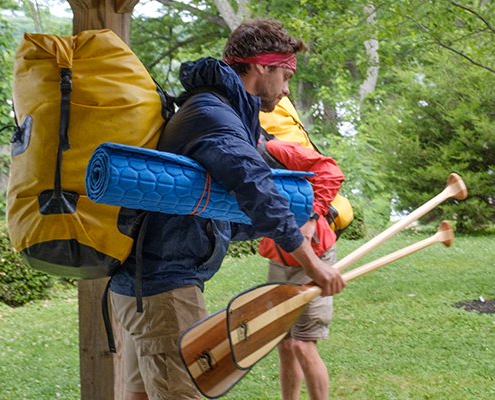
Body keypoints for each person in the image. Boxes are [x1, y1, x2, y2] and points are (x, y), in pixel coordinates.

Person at [108, 19, 346, 400]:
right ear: (261, 67)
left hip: (142, 283)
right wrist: (312, 263)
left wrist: (287, 220)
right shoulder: (215, 117)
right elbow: (256, 188)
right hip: (163, 285)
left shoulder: (213, 109)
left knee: (140, 394)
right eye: (285, 77)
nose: (285, 92)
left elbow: (216, 211)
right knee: (181, 392)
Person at [256, 123, 344, 400]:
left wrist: (311, 217)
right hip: (280, 257)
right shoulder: (234, 157)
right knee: (284, 343)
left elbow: (331, 171)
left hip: (315, 254)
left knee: (303, 346)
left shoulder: (275, 149)